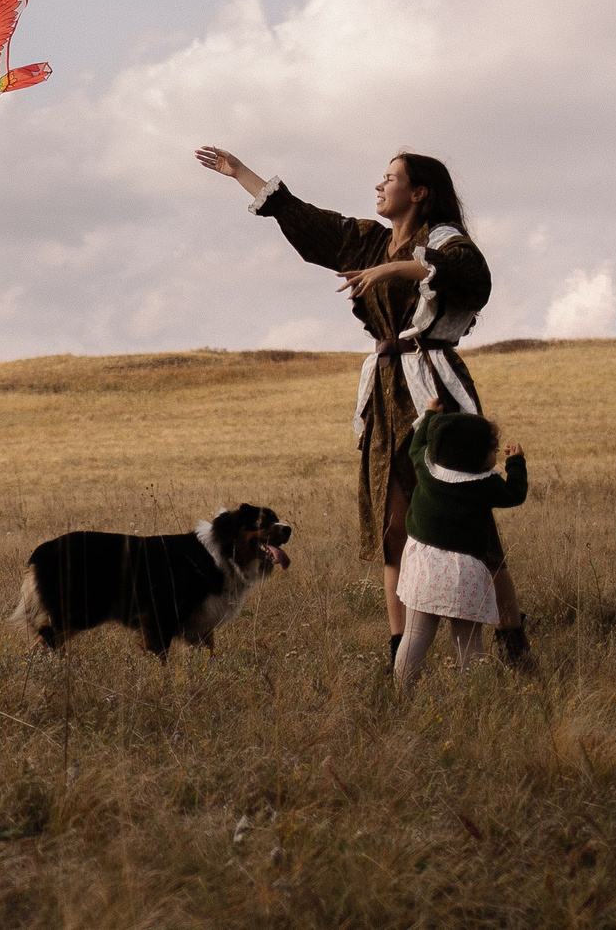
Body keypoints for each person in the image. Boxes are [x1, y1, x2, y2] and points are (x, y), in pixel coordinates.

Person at [193, 147, 530, 668]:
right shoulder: (368, 240)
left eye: (391, 178)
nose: (379, 185)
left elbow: (471, 277)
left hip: (436, 392)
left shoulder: (445, 242)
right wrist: (240, 173)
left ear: (419, 193)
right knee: (392, 529)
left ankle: (512, 644)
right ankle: (401, 657)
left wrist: (393, 269)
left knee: (467, 521)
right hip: (385, 392)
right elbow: (304, 219)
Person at [395, 400, 528, 691]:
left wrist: (430, 415)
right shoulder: (485, 484)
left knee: (415, 634)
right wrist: (517, 463)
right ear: (475, 455)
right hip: (463, 574)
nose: (495, 453)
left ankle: (402, 695)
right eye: (492, 450)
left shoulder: (426, 467)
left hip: (422, 567)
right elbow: (515, 494)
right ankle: (476, 697)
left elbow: (416, 444)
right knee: (467, 640)